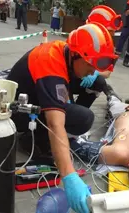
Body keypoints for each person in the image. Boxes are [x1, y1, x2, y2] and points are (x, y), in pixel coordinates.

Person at [7, 23, 118, 213]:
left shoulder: (66, 54)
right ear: (76, 55)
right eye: (91, 64)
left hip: (35, 97)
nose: (93, 70)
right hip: (18, 114)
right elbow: (54, 123)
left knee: (96, 85)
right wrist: (69, 176)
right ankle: (32, 140)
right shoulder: (50, 62)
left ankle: (57, 142)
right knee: (81, 118)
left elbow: (96, 74)